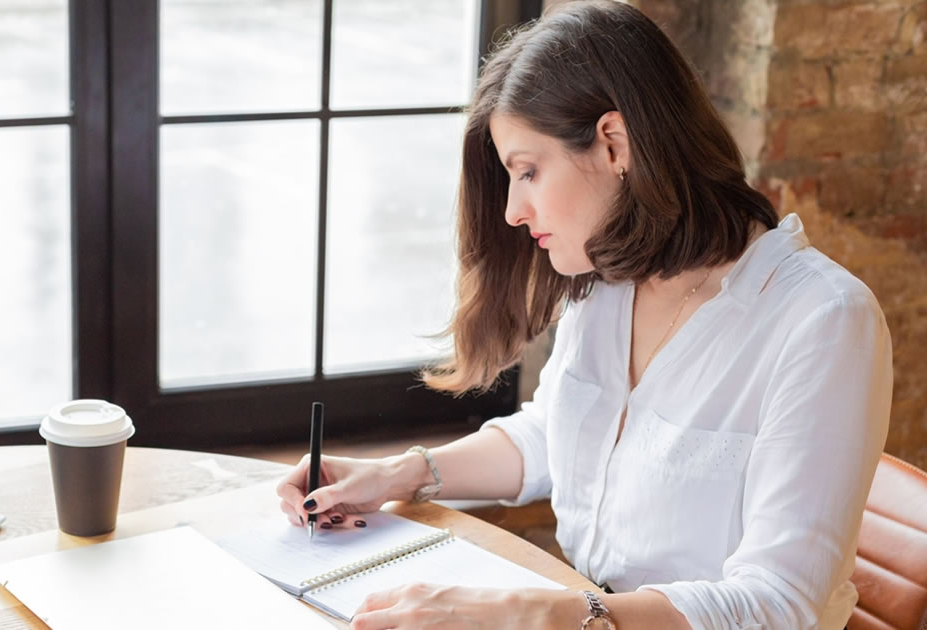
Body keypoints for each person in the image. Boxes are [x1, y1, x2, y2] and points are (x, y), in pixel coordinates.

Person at [275, 1, 893, 629]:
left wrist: (537, 614)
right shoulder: (610, 279)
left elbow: (776, 603)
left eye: (528, 171)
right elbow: (561, 433)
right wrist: (398, 474)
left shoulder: (822, 322)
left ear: (613, 144)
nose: (514, 209)